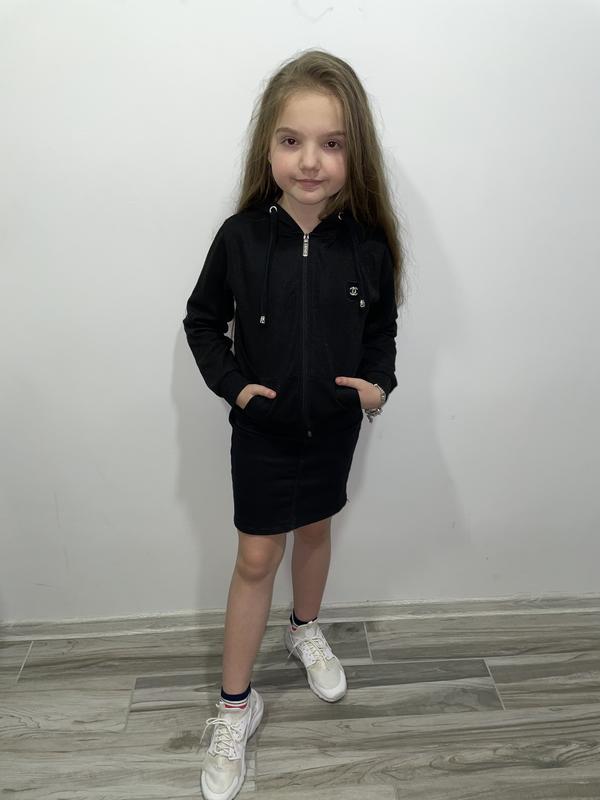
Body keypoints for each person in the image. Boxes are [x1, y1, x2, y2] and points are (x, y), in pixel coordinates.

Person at [183, 48, 406, 800]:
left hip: (335, 427)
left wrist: (377, 386)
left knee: (315, 531)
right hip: (263, 432)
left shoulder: (368, 245)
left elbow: (381, 332)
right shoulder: (241, 238)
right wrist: (236, 388)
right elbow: (203, 321)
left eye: (331, 143)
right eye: (292, 140)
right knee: (256, 557)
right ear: (269, 147)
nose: (310, 160)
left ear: (353, 152)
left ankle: (305, 627)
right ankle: (235, 706)